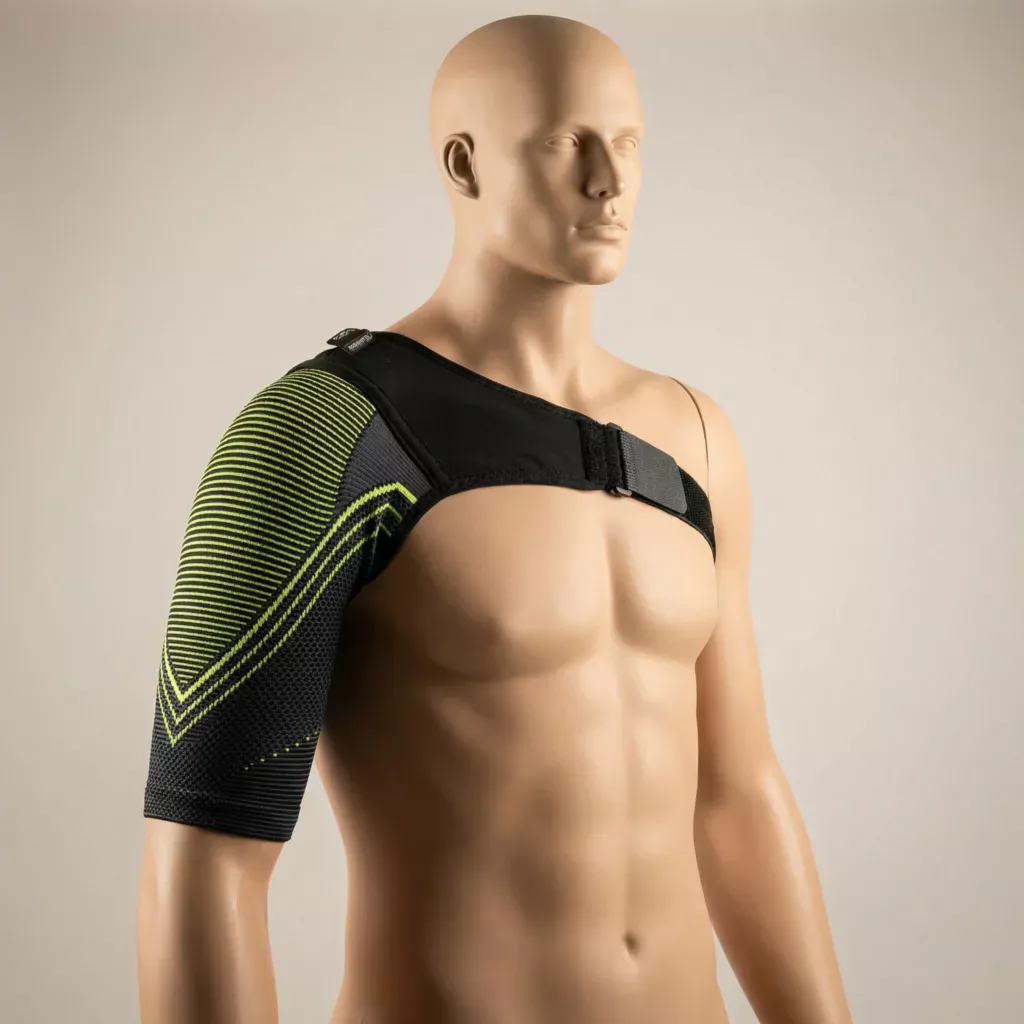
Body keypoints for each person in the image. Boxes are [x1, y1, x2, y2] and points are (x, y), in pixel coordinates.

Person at [137, 14, 853, 1024]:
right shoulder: (322, 436)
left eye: (629, 142)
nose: (609, 180)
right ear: (464, 164)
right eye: (565, 141)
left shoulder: (695, 436)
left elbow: (738, 796)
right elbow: (206, 857)